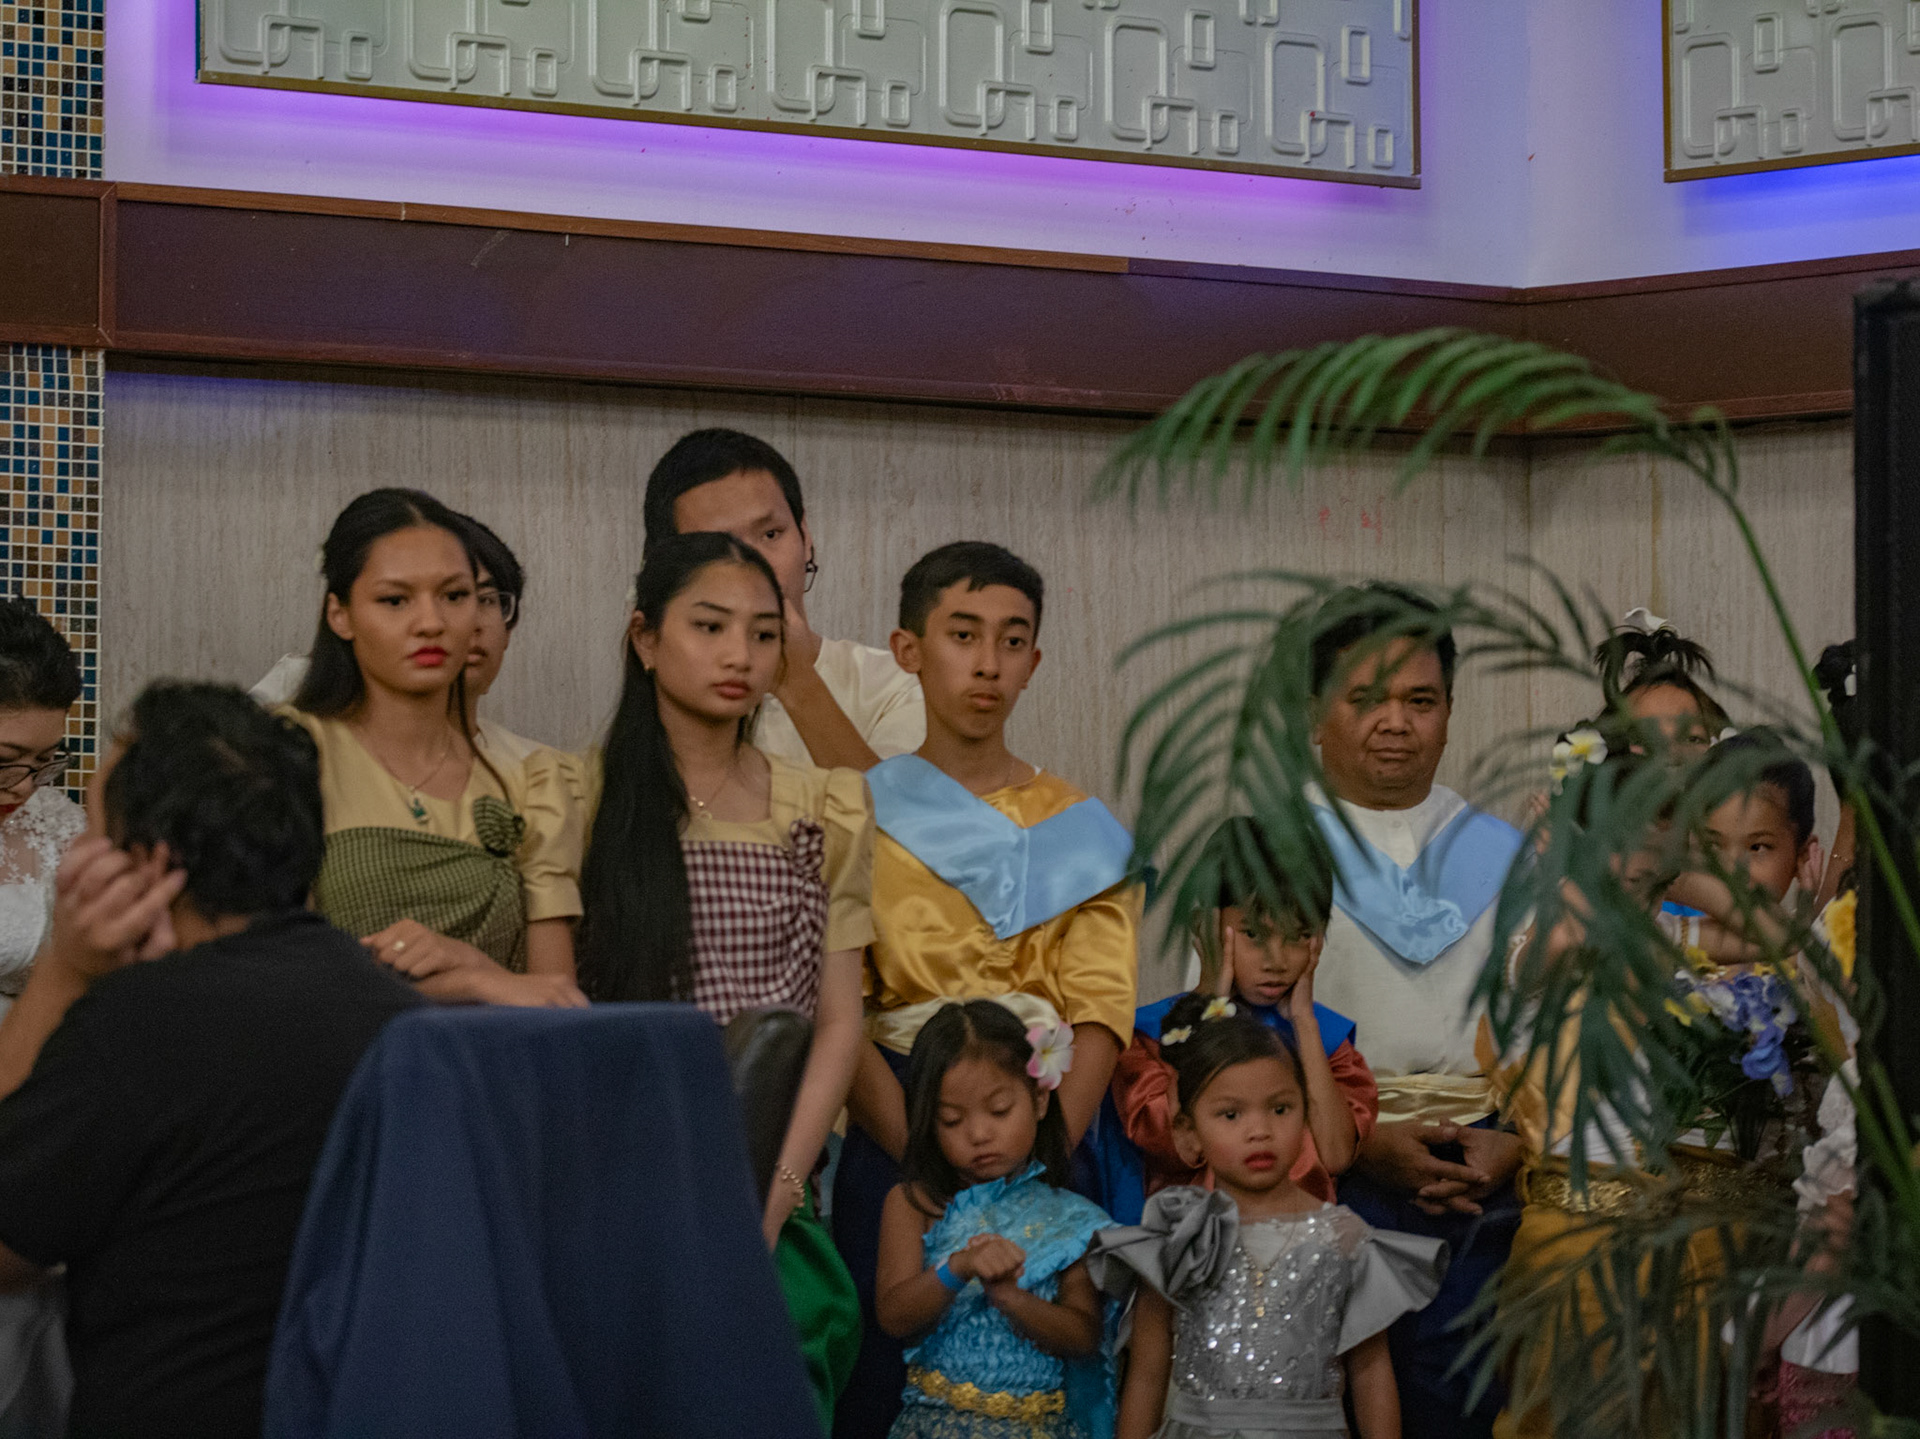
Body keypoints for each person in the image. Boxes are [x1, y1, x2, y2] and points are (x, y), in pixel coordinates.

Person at [0, 682, 421, 1439]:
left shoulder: (137, 1026)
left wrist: (62, 971)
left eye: (93, 832)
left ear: (145, 862)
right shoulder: (399, 1013)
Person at [834, 541, 1140, 1439]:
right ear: (909, 649)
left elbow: (1100, 1010)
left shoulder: (1082, 827)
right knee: (884, 1375)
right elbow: (839, 1003)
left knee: (1050, 1377)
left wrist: (1043, 1152)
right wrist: (922, 1152)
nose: (988, 663)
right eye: (962, 635)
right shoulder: (853, 811)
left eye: (1012, 641)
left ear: (1034, 661)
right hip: (899, 1119)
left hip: (1042, 1123)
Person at [577, 531, 870, 1429]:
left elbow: (839, 1021)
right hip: (618, 1184)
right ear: (645, 637)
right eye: (710, 626)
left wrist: (776, 1193)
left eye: (763, 633)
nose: (740, 654)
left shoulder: (825, 802)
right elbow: (558, 1011)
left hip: (776, 1179)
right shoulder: (575, 793)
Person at [1302, 582, 1526, 1439]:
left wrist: (1519, 1140)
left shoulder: (1505, 855)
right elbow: (1231, 1041)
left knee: (1465, 1407)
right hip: (1322, 1179)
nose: (1395, 722)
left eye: (1420, 700)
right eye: (1365, 699)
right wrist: (1361, 1142)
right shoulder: (1273, 853)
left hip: (1479, 1186)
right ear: (1315, 712)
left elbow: (1561, 1030)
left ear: (1449, 712)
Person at [1090, 996, 1445, 1439]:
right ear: (1188, 1133)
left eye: (1280, 1109)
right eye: (1231, 1114)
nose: (1259, 1131)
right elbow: (1146, 1374)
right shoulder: (1179, 1237)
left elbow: (1371, 1373)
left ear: (1307, 1114)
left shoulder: (1346, 1236)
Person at [286, 489, 585, 1008]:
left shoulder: (532, 779)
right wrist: (465, 983)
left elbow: (554, 1000)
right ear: (340, 614)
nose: (431, 622)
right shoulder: (288, 751)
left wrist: (475, 965)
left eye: (455, 596)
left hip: (493, 1054)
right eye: (395, 600)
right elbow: (278, 971)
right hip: (335, 1054)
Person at [1113, 816, 1377, 1213]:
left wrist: (1305, 1023)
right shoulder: (1152, 1035)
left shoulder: (1326, 1040)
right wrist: (1210, 1007)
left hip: (1301, 1237)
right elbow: (1178, 1144)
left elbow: (1337, 1155)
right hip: (1192, 1238)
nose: (1277, 960)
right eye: (1253, 934)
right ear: (1204, 925)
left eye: (1299, 936)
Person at [873, 1000, 1109, 1439]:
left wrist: (1013, 1300)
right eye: (952, 1120)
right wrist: (957, 1268)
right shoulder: (914, 1204)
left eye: (999, 1110)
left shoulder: (1070, 1220)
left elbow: (1083, 1336)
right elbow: (894, 1315)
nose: (979, 1134)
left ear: (1040, 1099)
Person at [643, 428, 924, 771]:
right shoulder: (667, 689)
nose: (753, 566)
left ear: (805, 537)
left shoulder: (894, 686)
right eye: (718, 547)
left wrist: (797, 682)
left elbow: (896, 807)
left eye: (770, 534)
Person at [0, 597, 86, 1435]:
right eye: (3, 763)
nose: (23, 789)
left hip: (40, 1101)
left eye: (42, 762)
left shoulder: (56, 825)